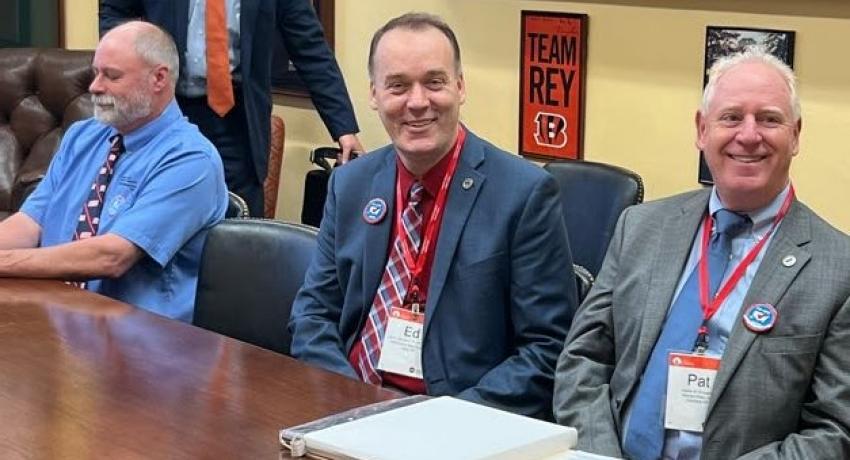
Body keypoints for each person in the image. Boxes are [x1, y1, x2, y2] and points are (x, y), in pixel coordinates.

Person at [553, 48, 850, 459]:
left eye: (768, 118)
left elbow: (835, 429)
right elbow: (583, 360)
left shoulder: (838, 269)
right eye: (731, 117)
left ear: (796, 134)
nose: (748, 135)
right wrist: (599, 453)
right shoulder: (639, 228)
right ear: (701, 129)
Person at [288, 13, 577, 419]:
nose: (418, 102)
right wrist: (348, 400)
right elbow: (313, 313)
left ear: (460, 87)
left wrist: (439, 423)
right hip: (349, 409)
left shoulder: (524, 194)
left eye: (434, 82)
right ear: (374, 94)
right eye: (398, 86)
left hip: (455, 422)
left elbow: (548, 350)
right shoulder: (349, 185)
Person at [0, 21, 227, 323]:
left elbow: (111, 256)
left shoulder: (191, 159)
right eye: (96, 72)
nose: (95, 86)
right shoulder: (83, 135)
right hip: (57, 313)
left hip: (140, 338)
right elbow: (30, 223)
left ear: (158, 78)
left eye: (112, 75)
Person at [99, 0, 364, 217]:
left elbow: (309, 46)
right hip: (168, 115)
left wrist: (343, 129)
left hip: (239, 122)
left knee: (240, 235)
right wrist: (131, 60)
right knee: (164, 215)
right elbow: (114, 9)